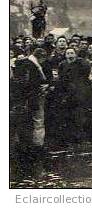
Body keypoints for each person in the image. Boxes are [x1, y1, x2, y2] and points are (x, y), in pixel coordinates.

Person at [10, 48, 49, 177]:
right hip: (30, 101)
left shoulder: (25, 63)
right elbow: (28, 85)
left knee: (24, 126)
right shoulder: (32, 66)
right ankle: (34, 149)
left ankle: (24, 150)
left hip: (23, 101)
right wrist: (40, 89)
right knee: (32, 124)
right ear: (41, 57)